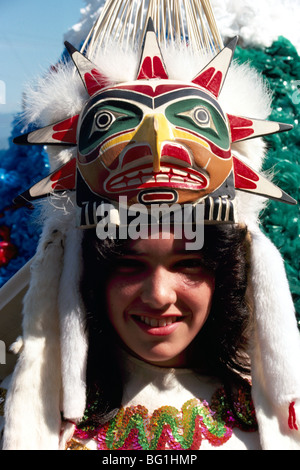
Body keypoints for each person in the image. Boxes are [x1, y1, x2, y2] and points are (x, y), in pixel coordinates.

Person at [1, 0, 300, 450]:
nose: (159, 296)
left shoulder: (271, 419)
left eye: (190, 263)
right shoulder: (35, 425)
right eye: (128, 265)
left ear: (228, 274)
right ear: (86, 275)